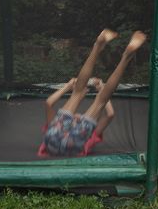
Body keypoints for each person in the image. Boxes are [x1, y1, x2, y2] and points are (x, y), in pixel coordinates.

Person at [37, 29, 146, 157]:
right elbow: (110, 114)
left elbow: (48, 103)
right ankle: (125, 56)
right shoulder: (92, 135)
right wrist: (99, 89)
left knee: (87, 96)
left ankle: (99, 47)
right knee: (94, 98)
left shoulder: (63, 127)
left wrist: (68, 87)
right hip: (72, 142)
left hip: (54, 141)